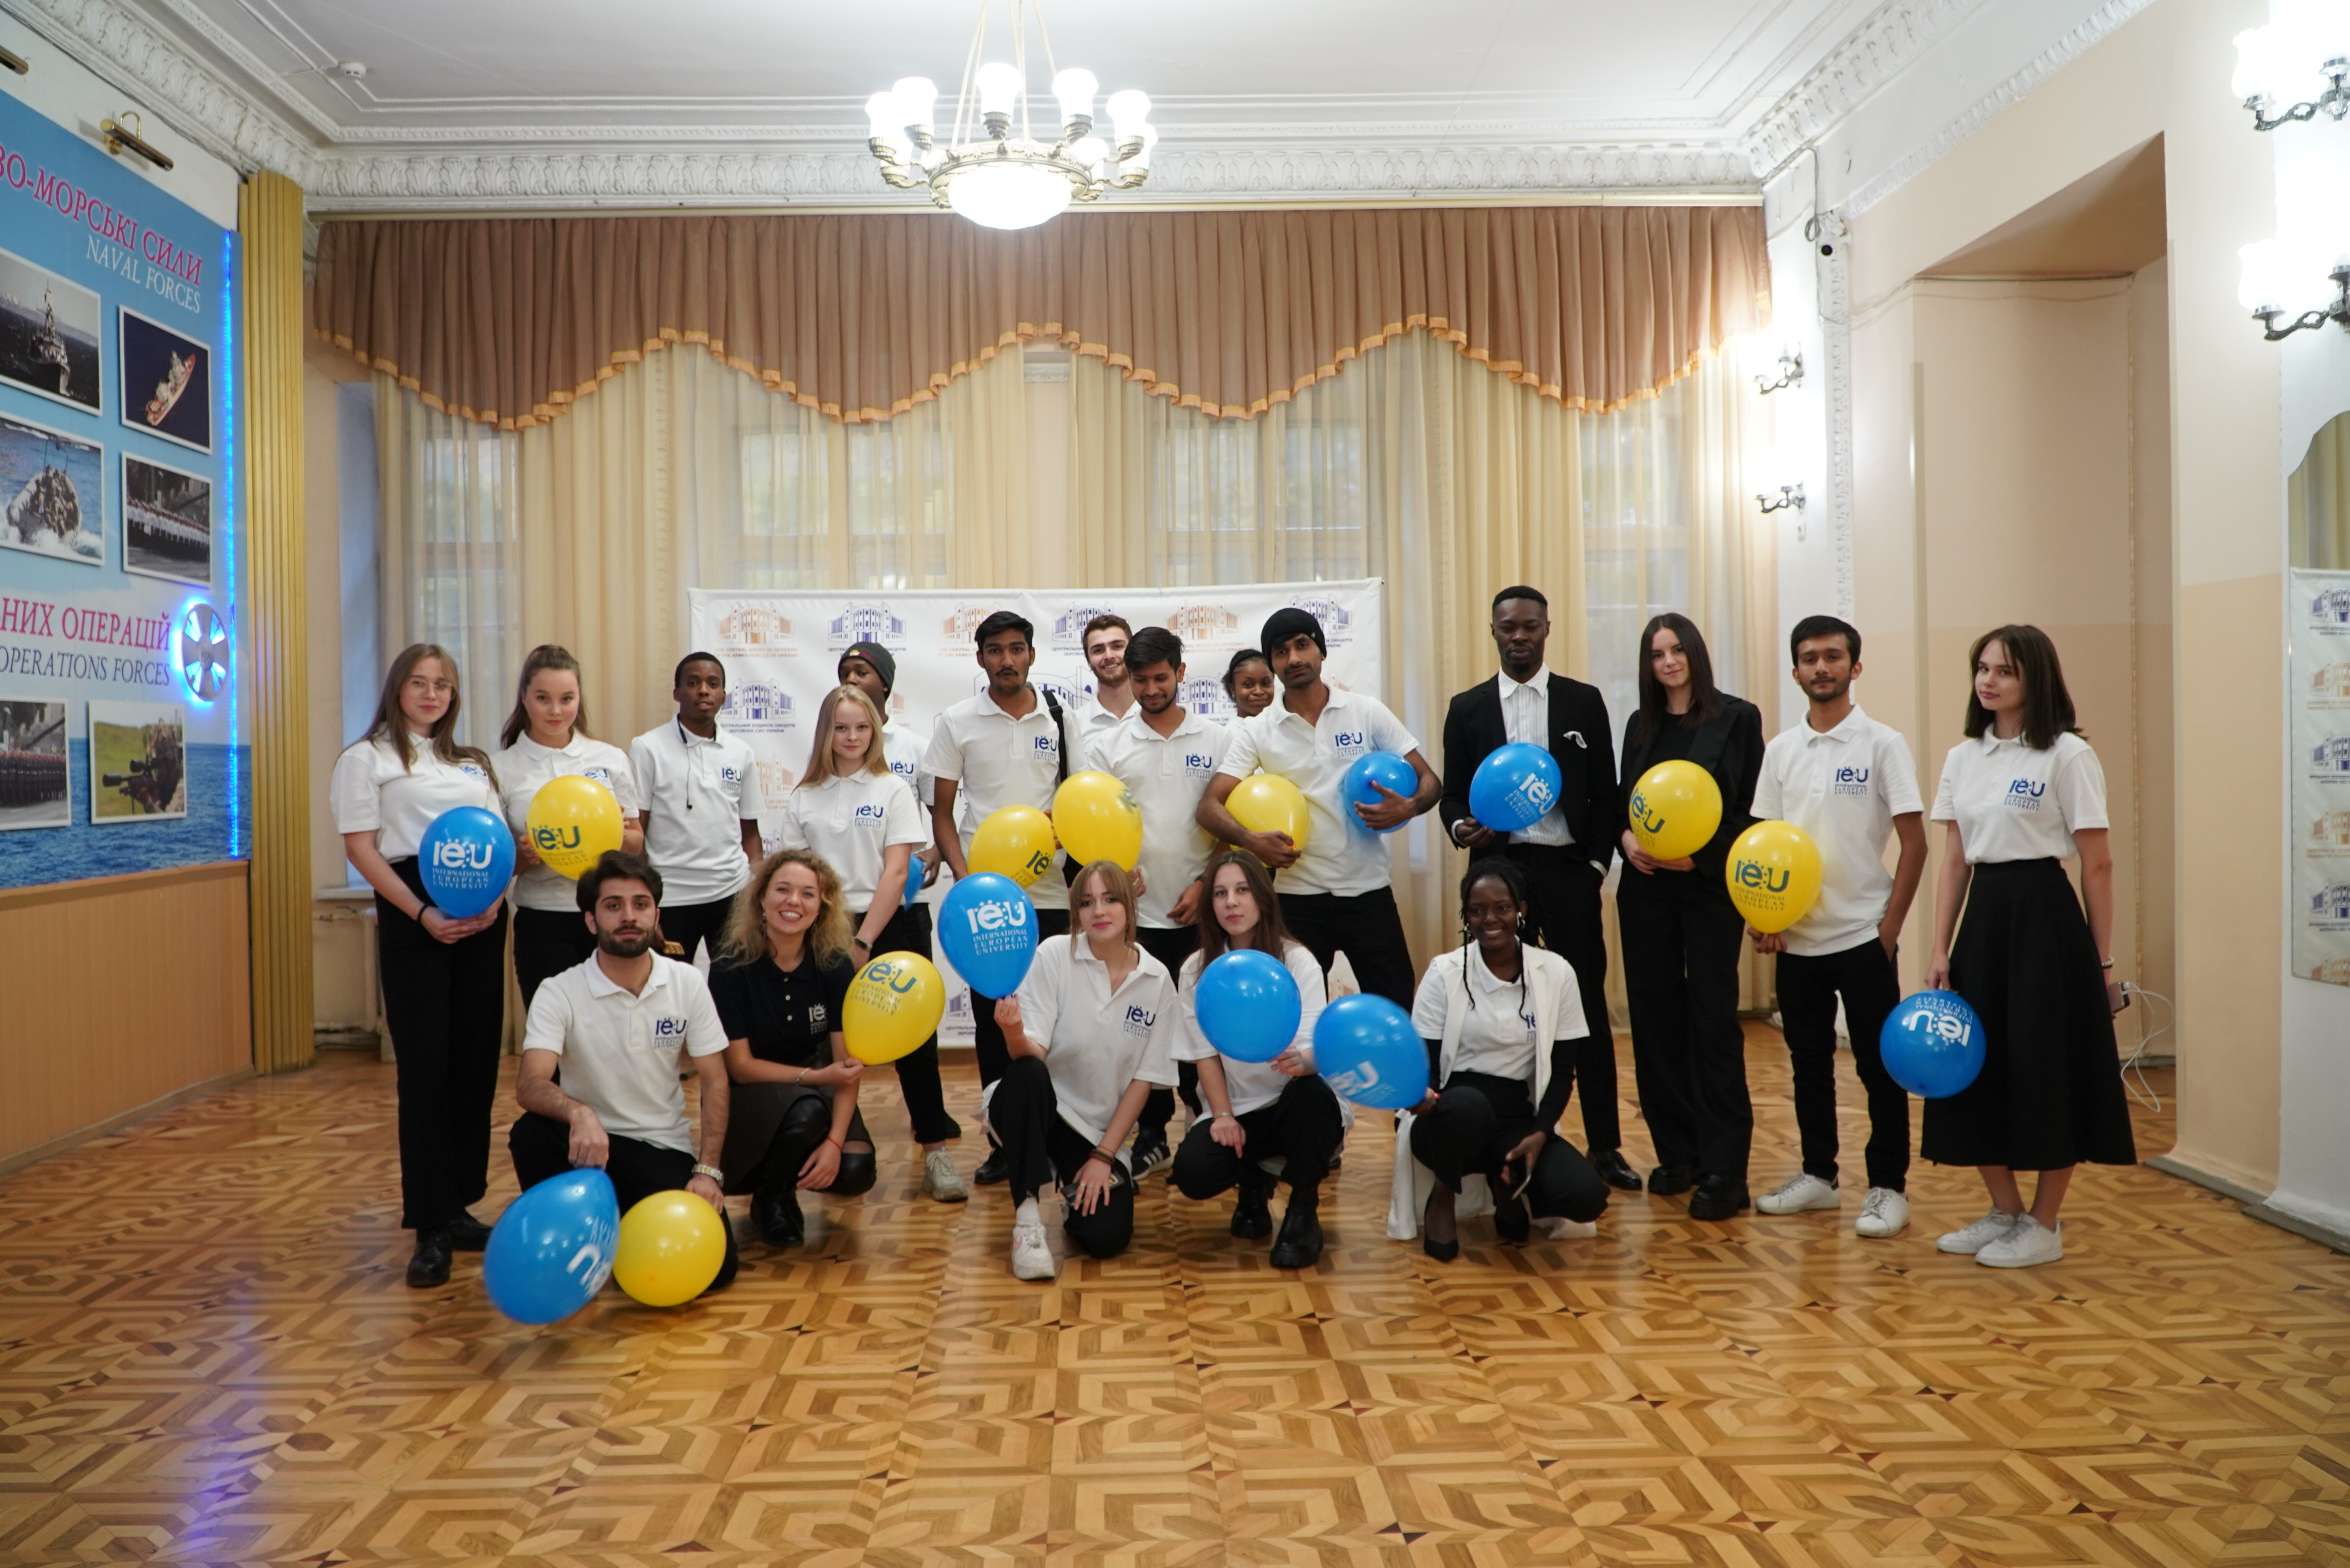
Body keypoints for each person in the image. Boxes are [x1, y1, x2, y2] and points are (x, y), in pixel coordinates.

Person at [1923, 625, 2135, 1268]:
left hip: (2046, 921)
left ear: (2033, 679)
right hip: (1983, 924)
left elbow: (2098, 864)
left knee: (2046, 1068)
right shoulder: (1963, 757)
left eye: (2004, 671)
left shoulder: (2067, 755)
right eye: (1982, 668)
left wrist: (2099, 960)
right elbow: (1954, 859)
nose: (1987, 681)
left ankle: (2044, 1223)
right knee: (1972, 1065)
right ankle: (2005, 1211)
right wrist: (1939, 947)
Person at [1437, 586, 1637, 1194]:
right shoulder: (1467, 707)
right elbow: (1452, 794)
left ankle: (1605, 1145)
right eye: (1508, 627)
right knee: (1487, 1003)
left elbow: (1605, 790)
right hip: (1497, 874)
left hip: (1567, 870)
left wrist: (1596, 867)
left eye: (1529, 626)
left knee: (1586, 1009)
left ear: (1547, 628)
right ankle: (1493, 1133)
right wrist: (1461, 828)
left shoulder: (1582, 700)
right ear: (1493, 632)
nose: (1519, 636)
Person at [331, 643, 508, 1289]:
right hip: (414, 911)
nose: (432, 694)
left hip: (483, 912)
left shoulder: (472, 762)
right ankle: (430, 1224)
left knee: (474, 1061)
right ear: (397, 689)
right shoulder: (367, 759)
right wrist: (421, 913)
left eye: (443, 685)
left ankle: (460, 1205)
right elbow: (362, 851)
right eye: (419, 682)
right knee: (426, 1066)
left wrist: (491, 903)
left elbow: (496, 839)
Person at [1748, 616, 1927, 1238]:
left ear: (1855, 666)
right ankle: (1818, 1177)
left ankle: (1888, 1187)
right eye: (1809, 658)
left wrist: (1889, 930)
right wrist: (1764, 919)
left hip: (1863, 937)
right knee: (1808, 1063)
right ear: (1794, 671)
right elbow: (1763, 846)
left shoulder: (1883, 744)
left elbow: (1915, 843)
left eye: (1832, 656)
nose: (1820, 667)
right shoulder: (1780, 750)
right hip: (1797, 939)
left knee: (1880, 1067)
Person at [508, 850, 739, 1297]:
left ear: (657, 915)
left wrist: (708, 1170)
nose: (629, 916)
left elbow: (715, 1080)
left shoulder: (687, 982)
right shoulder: (559, 990)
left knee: (719, 1269)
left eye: (641, 904)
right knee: (532, 1134)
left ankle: (617, 1236)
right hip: (588, 1152)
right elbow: (531, 1083)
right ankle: (572, 1243)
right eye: (613, 905)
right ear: (591, 920)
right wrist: (580, 1114)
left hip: (662, 1148)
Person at [770, 684, 964, 1202]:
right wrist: (832, 935)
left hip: (889, 924)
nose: (852, 737)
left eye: (861, 727)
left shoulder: (892, 789)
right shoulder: (804, 796)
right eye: (842, 728)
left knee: (915, 1045)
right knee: (824, 1043)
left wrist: (862, 941)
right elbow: (797, 875)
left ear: (875, 732)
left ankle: (936, 1153)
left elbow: (897, 871)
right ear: (826, 733)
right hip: (822, 927)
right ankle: (825, 1146)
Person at [1196, 608, 1439, 1011]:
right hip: (1297, 898)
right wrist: (1251, 841)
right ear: (1273, 664)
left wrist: (1409, 807)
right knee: (1294, 1014)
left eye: (1302, 645)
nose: (1293, 658)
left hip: (1368, 891)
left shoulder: (1366, 711)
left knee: (1396, 1005)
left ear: (1321, 652)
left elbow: (1430, 781)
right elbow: (1209, 807)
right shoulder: (1258, 730)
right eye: (1281, 652)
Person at [926, 610, 1088, 1185]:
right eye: (995, 650)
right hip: (986, 902)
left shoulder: (1062, 718)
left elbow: (1078, 801)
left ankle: (1062, 1135)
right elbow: (942, 814)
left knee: (1059, 1017)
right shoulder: (956, 721)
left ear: (1031, 655)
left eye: (1017, 648)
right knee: (995, 1023)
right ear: (980, 659)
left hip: (1051, 894)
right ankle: (1003, 1141)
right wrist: (965, 879)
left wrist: (1064, 827)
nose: (1006, 660)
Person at [1615, 613, 1766, 1222]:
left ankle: (1726, 1169)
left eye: (1677, 650)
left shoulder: (1738, 718)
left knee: (1712, 1020)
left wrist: (1698, 858)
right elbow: (1624, 803)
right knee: (1654, 1021)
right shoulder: (1640, 725)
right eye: (1657, 655)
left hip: (1707, 888)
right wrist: (1626, 839)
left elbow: (1751, 810)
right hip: (1645, 888)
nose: (1669, 662)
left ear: (1696, 654)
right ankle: (1678, 1153)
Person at [1401, 859, 1612, 1261]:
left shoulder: (1556, 973)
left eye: (1501, 908)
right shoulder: (1444, 972)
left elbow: (1563, 1072)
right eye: (1476, 910)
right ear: (1466, 916)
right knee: (1467, 1105)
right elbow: (1423, 1061)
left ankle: (1505, 1184)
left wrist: (1541, 1133)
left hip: (1517, 1121)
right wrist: (1424, 1097)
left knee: (1584, 1196)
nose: (1489, 920)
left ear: (1521, 910)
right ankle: (1443, 1195)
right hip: (1447, 1118)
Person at [988, 860, 1180, 1280]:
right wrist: (1013, 1031)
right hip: (1040, 1109)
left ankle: (1071, 1191)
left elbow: (1144, 1081)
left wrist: (1103, 1156)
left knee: (1106, 1238)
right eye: (1087, 902)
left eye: (1111, 900)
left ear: (1130, 906)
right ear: (1075, 911)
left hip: (1094, 1131)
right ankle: (1027, 1220)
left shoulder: (1157, 980)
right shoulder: (1054, 955)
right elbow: (1031, 1055)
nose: (1099, 911)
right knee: (1028, 1072)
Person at [1088, 625, 1230, 1177]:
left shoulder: (1217, 739)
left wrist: (1205, 884)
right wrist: (1115, 874)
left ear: (1180, 673)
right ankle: (1150, 1133)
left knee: (1202, 1019)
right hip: (1138, 918)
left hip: (1202, 911)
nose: (1150, 689)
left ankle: (1204, 1116)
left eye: (1160, 678)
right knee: (1139, 1026)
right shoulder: (1107, 746)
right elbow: (1092, 824)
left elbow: (1233, 822)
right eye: (1140, 679)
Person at [834, 644, 968, 1195]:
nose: (853, 679)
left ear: (885, 684)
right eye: (845, 673)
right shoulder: (815, 783)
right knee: (833, 1035)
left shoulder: (911, 749)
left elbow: (937, 818)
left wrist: (931, 857)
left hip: (901, 911)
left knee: (915, 1035)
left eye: (862, 671)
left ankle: (932, 1138)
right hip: (835, 921)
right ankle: (838, 1138)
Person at [1169, 851, 1344, 1269]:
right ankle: (1253, 1182)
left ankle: (1303, 1209)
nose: (1231, 902)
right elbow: (1204, 1055)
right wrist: (1223, 1116)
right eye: (1220, 893)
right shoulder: (1196, 970)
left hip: (1292, 1107)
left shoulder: (1297, 960)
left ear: (1263, 898)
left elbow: (1315, 1051)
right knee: (1193, 1171)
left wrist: (1303, 1061)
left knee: (1310, 1095)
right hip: (1239, 1109)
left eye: (1243, 890)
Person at [709, 849, 877, 1248]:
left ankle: (787, 1175)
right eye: (783, 890)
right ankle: (770, 1198)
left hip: (816, 1084)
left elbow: (847, 1066)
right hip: (752, 1091)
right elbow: (741, 1066)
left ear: (821, 908)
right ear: (761, 898)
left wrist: (834, 1144)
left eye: (808, 894)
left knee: (854, 1169)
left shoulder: (834, 964)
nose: (794, 902)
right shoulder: (730, 965)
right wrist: (816, 1078)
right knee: (808, 1111)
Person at [495, 645, 644, 1006]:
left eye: (567, 699)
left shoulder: (609, 758)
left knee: (613, 1024)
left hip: (607, 914)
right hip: (542, 919)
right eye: (543, 698)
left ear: (579, 699)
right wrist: (527, 856)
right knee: (554, 1026)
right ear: (524, 698)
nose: (556, 711)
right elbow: (498, 866)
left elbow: (636, 842)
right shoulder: (500, 768)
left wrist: (614, 833)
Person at [629, 652, 763, 963]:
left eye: (713, 684)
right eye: (693, 683)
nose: (704, 691)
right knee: (669, 986)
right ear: (677, 693)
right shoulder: (648, 748)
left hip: (731, 893)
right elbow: (637, 831)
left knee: (733, 985)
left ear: (723, 696)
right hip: (671, 896)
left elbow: (751, 833)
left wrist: (756, 895)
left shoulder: (741, 752)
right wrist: (643, 900)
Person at [1074, 613, 1136, 747]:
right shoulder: (1075, 725)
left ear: (1133, 653)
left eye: (1117, 647)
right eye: (1098, 650)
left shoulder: (1156, 715)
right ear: (1089, 662)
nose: (1109, 656)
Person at [1222, 649, 1276, 721]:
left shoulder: (1282, 726)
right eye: (1248, 685)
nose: (1259, 692)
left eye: (1266, 684)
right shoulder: (1233, 729)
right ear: (1233, 689)